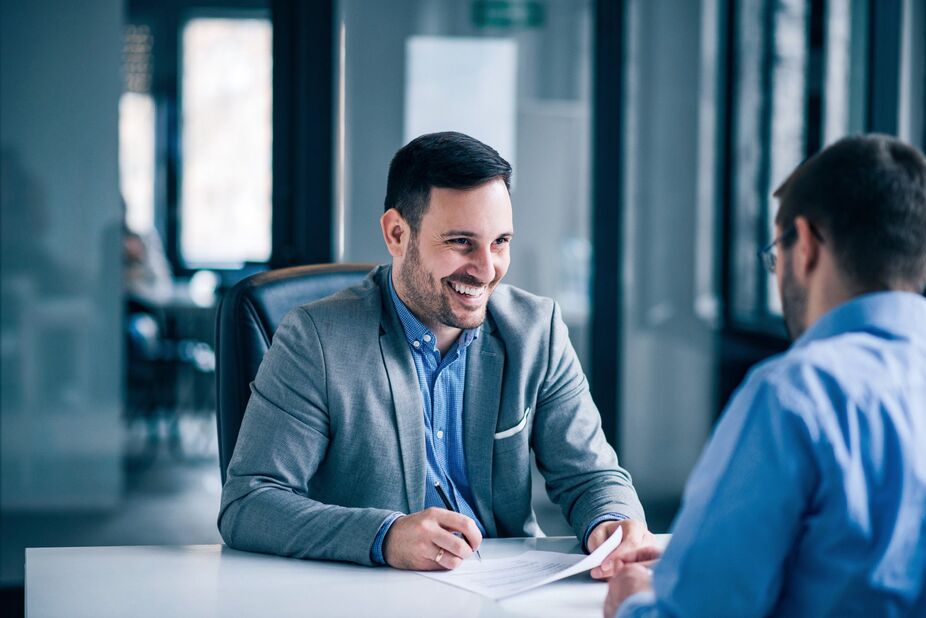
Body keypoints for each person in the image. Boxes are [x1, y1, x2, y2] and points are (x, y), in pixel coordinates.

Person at [219, 131, 650, 570]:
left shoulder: (537, 330)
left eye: (500, 242)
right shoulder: (316, 339)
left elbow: (592, 476)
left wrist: (614, 520)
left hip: (507, 591)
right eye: (461, 242)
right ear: (397, 234)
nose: (486, 269)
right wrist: (385, 537)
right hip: (374, 594)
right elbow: (249, 504)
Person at [604, 134, 926, 617]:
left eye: (776, 253)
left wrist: (631, 602)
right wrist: (699, 556)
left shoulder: (796, 394)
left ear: (808, 244)